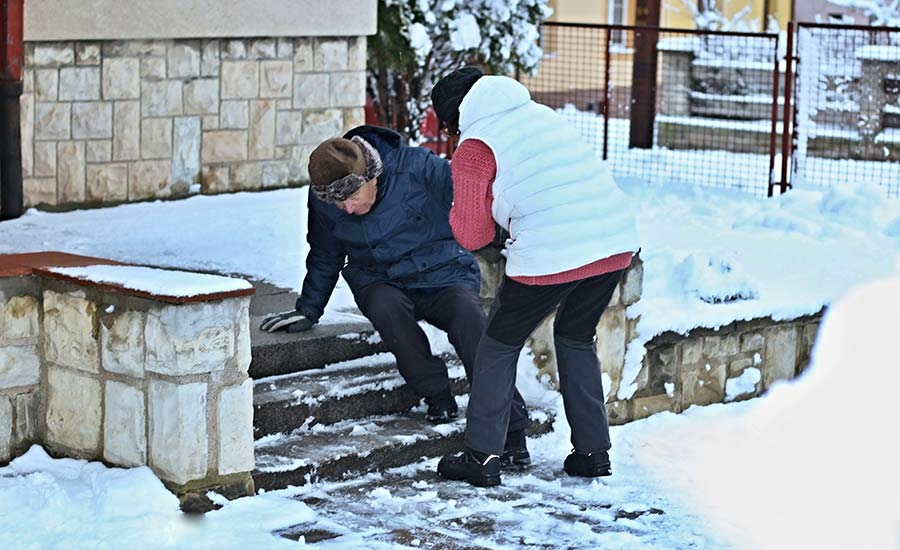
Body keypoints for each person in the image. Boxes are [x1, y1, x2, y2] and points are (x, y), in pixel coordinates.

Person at [260, 125, 531, 462]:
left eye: (351, 197)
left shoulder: (418, 166)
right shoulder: (328, 202)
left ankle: (512, 427)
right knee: (385, 309)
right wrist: (310, 308)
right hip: (379, 278)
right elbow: (325, 254)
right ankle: (436, 394)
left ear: (371, 176)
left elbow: (475, 197)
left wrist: (518, 234)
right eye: (336, 201)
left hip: (442, 271)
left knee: (470, 321)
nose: (345, 209)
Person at [431, 67, 640, 487]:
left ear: (455, 115)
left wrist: (469, 207)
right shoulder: (541, 115)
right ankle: (593, 453)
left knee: (497, 345)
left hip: (553, 248)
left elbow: (473, 233)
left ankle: (482, 457)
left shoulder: (475, 146)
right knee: (576, 336)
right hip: (615, 240)